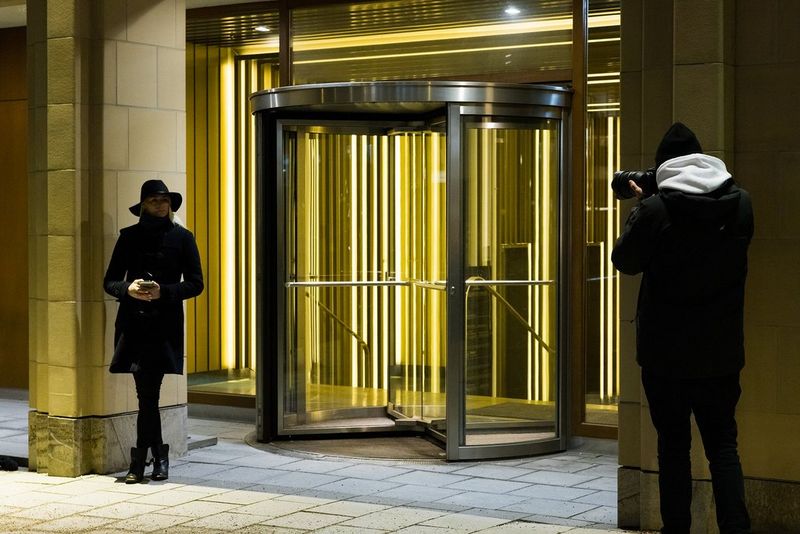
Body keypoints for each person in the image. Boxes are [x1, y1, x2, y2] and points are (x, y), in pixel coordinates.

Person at [611, 123, 753, 534]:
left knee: (673, 449)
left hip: (665, 355)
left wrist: (644, 206)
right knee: (724, 448)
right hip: (722, 352)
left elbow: (625, 261)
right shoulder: (741, 204)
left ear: (663, 169)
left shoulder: (656, 210)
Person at [104, 179, 204, 484]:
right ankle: (157, 458)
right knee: (146, 395)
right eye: (154, 200)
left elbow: (196, 283)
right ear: (143, 205)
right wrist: (128, 288)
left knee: (148, 395)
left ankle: (141, 462)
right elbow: (109, 281)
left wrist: (165, 292)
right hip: (133, 325)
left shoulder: (183, 238)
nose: (161, 205)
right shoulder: (128, 237)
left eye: (165, 200)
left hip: (164, 326)